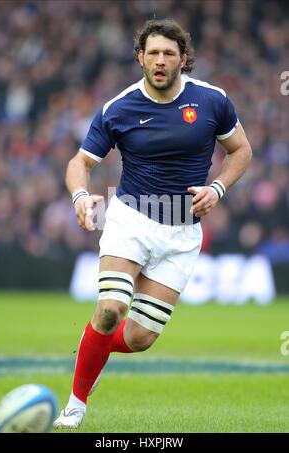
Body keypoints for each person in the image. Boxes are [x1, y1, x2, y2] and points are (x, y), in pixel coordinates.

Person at [53, 18, 252, 429]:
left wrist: (217, 189)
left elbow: (241, 150)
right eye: (153, 53)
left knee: (141, 338)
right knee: (109, 309)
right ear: (140, 58)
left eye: (169, 53)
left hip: (182, 231)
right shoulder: (119, 107)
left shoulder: (213, 101)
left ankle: (94, 346)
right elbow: (80, 162)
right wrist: (79, 195)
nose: (160, 61)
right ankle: (74, 404)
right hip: (130, 217)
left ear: (184, 59)